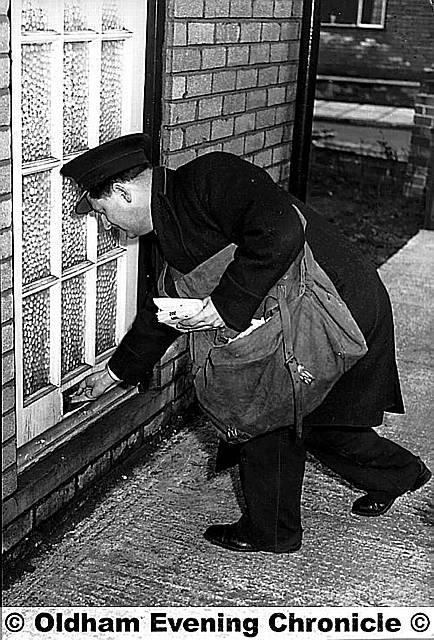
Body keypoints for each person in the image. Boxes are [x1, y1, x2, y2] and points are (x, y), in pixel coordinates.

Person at [61, 133, 431, 554]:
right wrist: (112, 375)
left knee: (270, 407)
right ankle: (400, 474)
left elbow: (281, 228)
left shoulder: (210, 177)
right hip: (305, 311)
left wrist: (223, 306)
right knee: (316, 421)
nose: (109, 227)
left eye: (103, 213)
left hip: (338, 300)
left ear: (124, 193)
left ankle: (271, 531)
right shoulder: (171, 224)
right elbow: (163, 308)